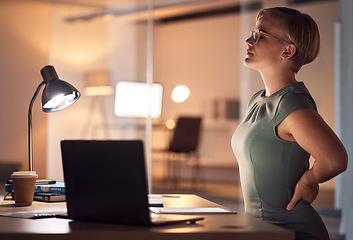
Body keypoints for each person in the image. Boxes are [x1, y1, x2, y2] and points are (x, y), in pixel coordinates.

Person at [231, 7, 348, 240]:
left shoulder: (291, 103)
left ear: (288, 50)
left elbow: (335, 159)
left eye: (260, 36)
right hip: (263, 229)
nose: (248, 40)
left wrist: (308, 180)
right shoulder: (258, 100)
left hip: (293, 230)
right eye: (253, 32)